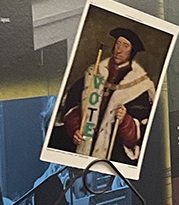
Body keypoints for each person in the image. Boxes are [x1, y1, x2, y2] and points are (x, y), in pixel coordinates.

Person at [50, 27, 155, 167]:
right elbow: (73, 102)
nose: (119, 49)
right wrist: (75, 128)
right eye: (118, 43)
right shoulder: (94, 72)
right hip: (81, 146)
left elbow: (139, 133)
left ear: (132, 51)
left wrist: (125, 120)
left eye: (125, 46)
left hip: (113, 155)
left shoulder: (139, 85)